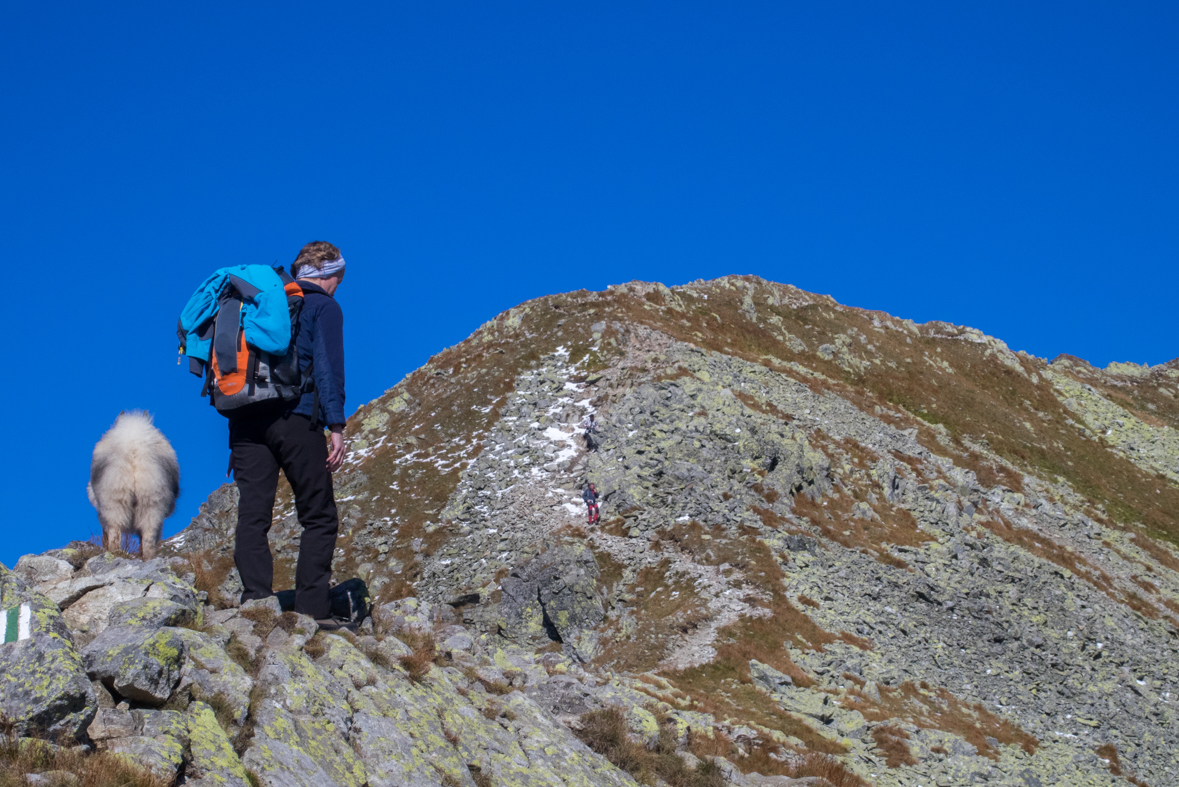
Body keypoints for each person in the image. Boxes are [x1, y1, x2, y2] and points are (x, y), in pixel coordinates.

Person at [228, 241, 350, 631]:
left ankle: (255, 602)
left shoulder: (262, 305)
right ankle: (313, 610)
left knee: (254, 513)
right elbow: (328, 369)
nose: (338, 286)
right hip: (296, 417)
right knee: (318, 515)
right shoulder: (323, 307)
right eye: (339, 279)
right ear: (331, 275)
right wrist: (336, 426)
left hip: (245, 419)